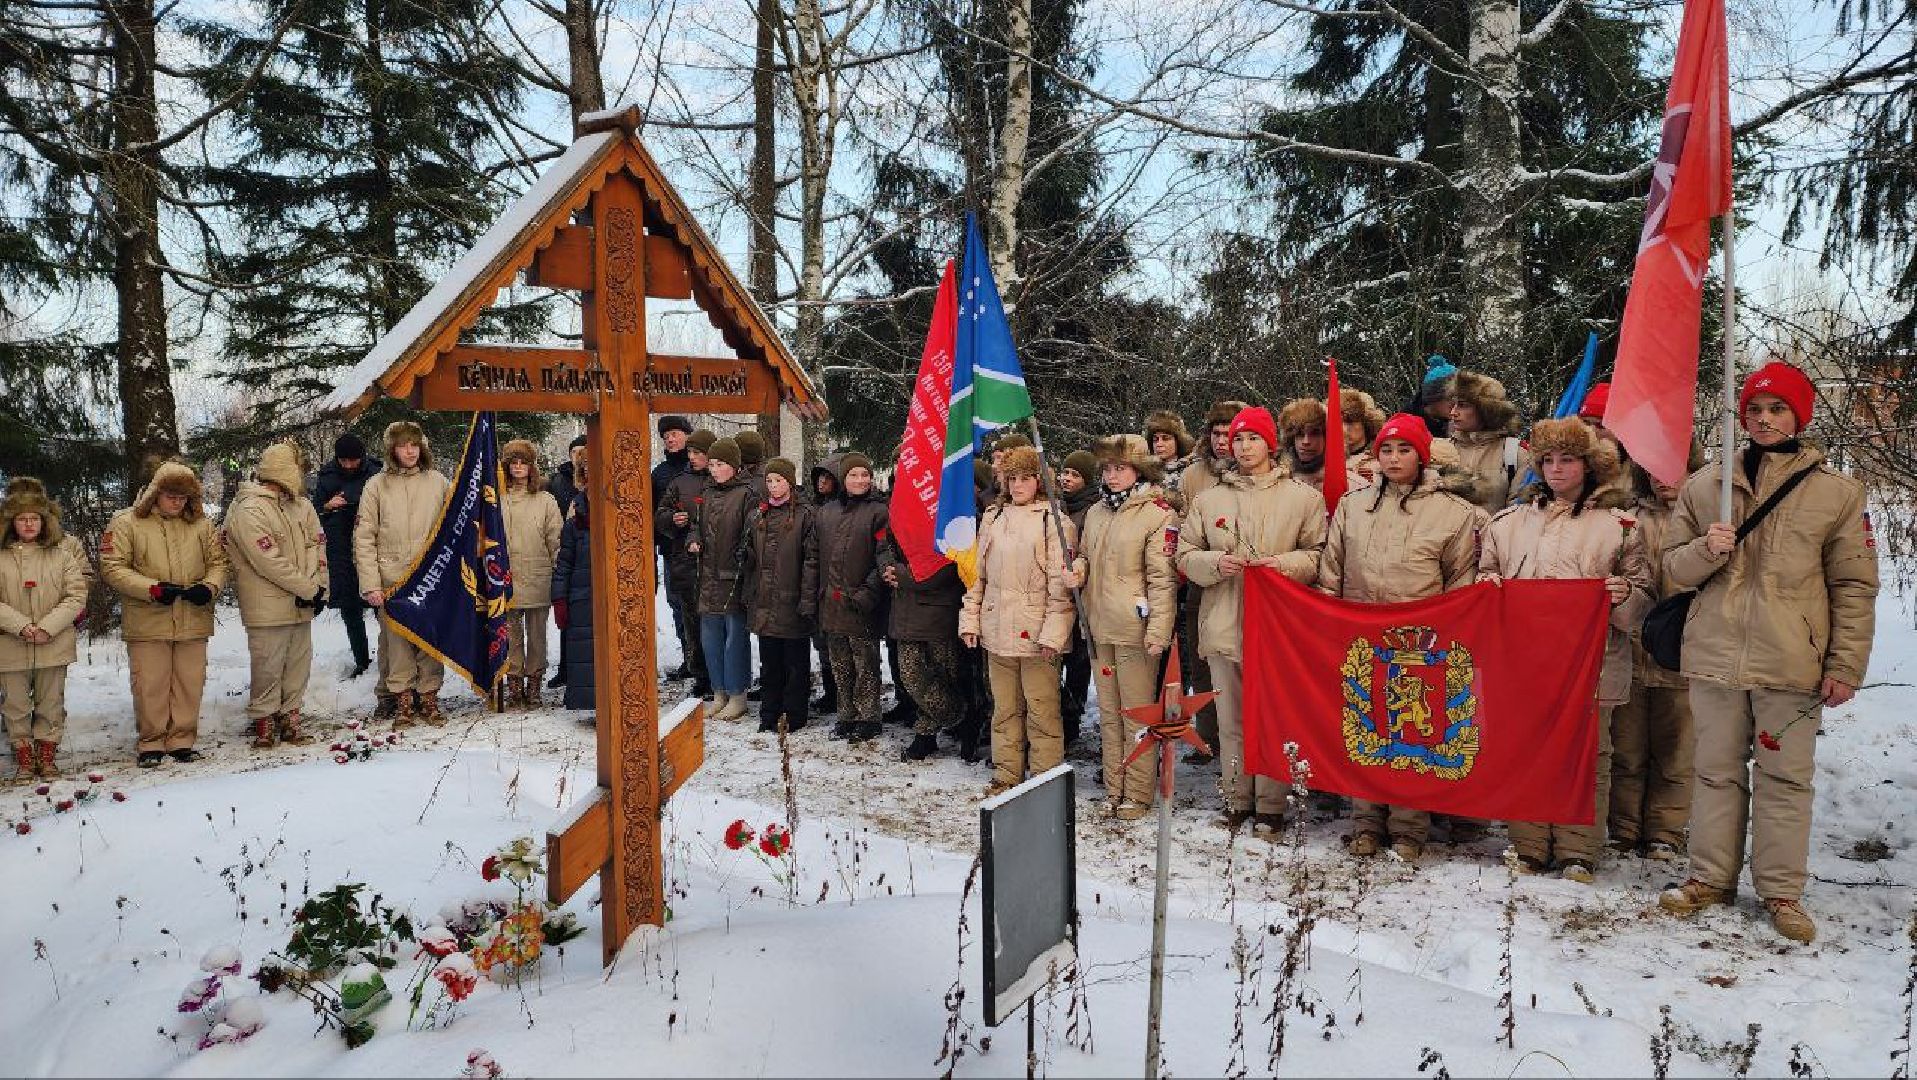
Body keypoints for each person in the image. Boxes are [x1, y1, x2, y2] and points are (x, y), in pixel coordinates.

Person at [1657, 361, 1878, 945]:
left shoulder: (1836, 494)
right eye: (1754, 409)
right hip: (1715, 654)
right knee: (1715, 774)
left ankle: (1782, 890)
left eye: (1777, 409)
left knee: (1785, 779)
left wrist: (1845, 664)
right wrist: (1706, 551)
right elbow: (1670, 572)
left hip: (1790, 660)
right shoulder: (1706, 487)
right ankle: (1709, 877)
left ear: (1798, 415)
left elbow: (1854, 586)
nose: (1763, 419)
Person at [1479, 419, 1651, 882]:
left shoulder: (1619, 527)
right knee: (1527, 750)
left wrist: (1622, 598)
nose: (1556, 469)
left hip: (1590, 665)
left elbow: (1641, 606)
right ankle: (1530, 843)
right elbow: (1485, 573)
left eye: (1567, 459)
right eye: (1548, 460)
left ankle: (1579, 848)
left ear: (1589, 465)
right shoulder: (1508, 522)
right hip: (1525, 664)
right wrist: (1487, 586)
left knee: (1588, 755)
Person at [1319, 414, 1484, 860]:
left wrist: (1445, 634)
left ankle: (1409, 827)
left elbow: (1461, 581)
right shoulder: (1353, 506)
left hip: (1419, 646)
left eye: (1404, 450)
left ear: (1422, 455)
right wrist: (1330, 619)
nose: (1393, 459)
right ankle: (1366, 822)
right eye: (1386, 450)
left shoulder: (1452, 512)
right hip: (1361, 637)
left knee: (1412, 733)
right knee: (1366, 727)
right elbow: (1332, 567)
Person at [1178, 408, 1327, 833]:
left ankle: (1271, 805)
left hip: (1280, 629)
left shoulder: (1303, 498)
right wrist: (1214, 562)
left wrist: (1280, 564)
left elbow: (1319, 556)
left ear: (1271, 445)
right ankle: (1237, 798)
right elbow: (1184, 554)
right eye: (1238, 440)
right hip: (1225, 622)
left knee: (1274, 717)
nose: (1244, 447)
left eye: (1253, 439)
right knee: (1231, 719)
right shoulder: (1209, 500)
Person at [960, 446, 1080, 796]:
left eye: (1025, 478)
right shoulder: (993, 517)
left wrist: (1054, 634)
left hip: (1037, 633)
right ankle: (1006, 773)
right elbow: (976, 577)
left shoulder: (1054, 519)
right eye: (1011, 478)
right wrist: (970, 620)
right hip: (997, 628)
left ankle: (1045, 779)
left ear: (1040, 480)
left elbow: (1062, 587)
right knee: (1004, 709)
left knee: (1042, 710)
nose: (1018, 485)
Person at [1610, 446, 1705, 862]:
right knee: (1627, 749)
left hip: (1686, 651)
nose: (1665, 479)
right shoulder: (1628, 519)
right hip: (1632, 649)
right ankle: (1625, 826)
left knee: (1676, 751)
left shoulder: (1707, 519)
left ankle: (1666, 829)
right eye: (1655, 471)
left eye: (1675, 469)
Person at [102, 461, 230, 767]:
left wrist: (209, 587)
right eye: (171, 494)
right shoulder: (126, 522)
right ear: (155, 492)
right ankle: (151, 742)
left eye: (183, 496)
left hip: (192, 617)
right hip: (148, 619)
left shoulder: (202, 525)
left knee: (190, 681)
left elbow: (219, 562)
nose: (176, 501)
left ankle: (182, 740)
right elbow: (112, 566)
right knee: (150, 683)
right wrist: (152, 588)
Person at [1080, 435, 1181, 820]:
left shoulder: (1157, 514)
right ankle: (1114, 785)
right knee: (1108, 712)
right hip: (1100, 627)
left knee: (1135, 713)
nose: (1113, 475)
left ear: (1139, 470)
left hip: (1135, 630)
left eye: (1120, 468)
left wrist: (1158, 630)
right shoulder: (1095, 513)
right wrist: (1079, 570)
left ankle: (1138, 793)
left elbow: (1162, 580)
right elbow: (1088, 559)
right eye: (1107, 468)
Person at [225, 442, 327, 750]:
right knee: (268, 665)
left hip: (302, 601)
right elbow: (268, 560)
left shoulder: (302, 506)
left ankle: (290, 716)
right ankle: (265, 720)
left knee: (299, 662)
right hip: (267, 605)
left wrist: (319, 586)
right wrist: (307, 588)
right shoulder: (249, 509)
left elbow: (315, 544)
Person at [353, 421, 451, 726]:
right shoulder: (376, 485)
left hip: (431, 577)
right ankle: (403, 700)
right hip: (391, 579)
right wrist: (370, 584)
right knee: (396, 645)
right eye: (402, 445)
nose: (409, 451)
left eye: (414, 444)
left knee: (429, 642)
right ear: (392, 449)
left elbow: (456, 527)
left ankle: (429, 698)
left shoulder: (437, 482)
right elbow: (364, 536)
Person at [1, 479, 90, 779]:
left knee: (50, 702)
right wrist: (22, 626)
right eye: (22, 519)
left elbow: (76, 594)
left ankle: (47, 755)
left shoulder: (61, 554)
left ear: (44, 521)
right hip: (10, 643)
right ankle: (24, 757)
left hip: (54, 642)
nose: (28, 524)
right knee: (15, 704)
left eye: (34, 518)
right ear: (12, 522)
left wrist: (48, 627)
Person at [878, 466, 967, 761]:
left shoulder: (949, 510)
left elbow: (947, 563)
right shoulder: (900, 510)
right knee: (912, 675)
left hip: (938, 609)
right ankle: (958, 717)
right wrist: (889, 570)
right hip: (905, 608)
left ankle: (929, 731)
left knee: (942, 675)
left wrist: (902, 575)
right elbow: (884, 546)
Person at [1175, 400, 1246, 759]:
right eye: (1216, 433)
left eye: (1228, 433)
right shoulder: (1193, 475)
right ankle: (1207, 737)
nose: (1223, 440)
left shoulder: (1258, 469)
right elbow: (1187, 525)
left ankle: (1244, 742)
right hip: (1203, 580)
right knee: (1202, 659)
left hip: (1246, 582)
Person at [816, 452, 889, 741]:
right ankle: (845, 714)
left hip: (861, 603)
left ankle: (869, 716)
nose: (860, 480)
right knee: (840, 663)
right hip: (831, 602)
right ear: (843, 480)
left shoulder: (879, 512)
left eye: (865, 475)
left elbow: (883, 555)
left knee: (865, 663)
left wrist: (868, 592)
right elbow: (815, 555)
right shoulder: (827, 512)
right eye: (853, 475)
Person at [744, 457, 818, 733]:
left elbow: (811, 560)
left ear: (789, 481)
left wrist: (806, 598)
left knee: (795, 664)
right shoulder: (758, 514)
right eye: (770, 481)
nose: (774, 486)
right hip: (765, 601)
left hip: (793, 600)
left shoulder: (805, 515)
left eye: (779, 480)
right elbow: (753, 556)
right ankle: (769, 712)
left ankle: (795, 714)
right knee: (769, 663)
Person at [691, 438, 756, 722]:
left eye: (720, 465)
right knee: (710, 638)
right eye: (713, 465)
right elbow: (697, 525)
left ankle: (737, 693)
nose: (714, 470)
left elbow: (753, 533)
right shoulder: (706, 493)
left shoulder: (746, 494)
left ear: (734, 466)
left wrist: (743, 559)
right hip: (707, 576)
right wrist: (693, 540)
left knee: (734, 639)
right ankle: (718, 692)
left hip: (734, 577)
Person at [312, 434, 382, 678]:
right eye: (345, 461)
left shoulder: (376, 472)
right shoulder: (327, 475)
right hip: (340, 548)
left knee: (382, 609)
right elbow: (313, 512)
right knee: (350, 610)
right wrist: (327, 506)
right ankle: (362, 661)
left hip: (372, 548)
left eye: (354, 461)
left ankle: (388, 660)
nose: (350, 465)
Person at [500, 439, 563, 708]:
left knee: (537, 636)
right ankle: (514, 684)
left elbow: (556, 539)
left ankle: (534, 683)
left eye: (522, 462)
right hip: (505, 577)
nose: (517, 468)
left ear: (531, 467)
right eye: (513, 462)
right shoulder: (496, 499)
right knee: (511, 635)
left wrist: (559, 570)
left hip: (538, 576)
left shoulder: (545, 500)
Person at [657, 429, 716, 696]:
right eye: (690, 452)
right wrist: (672, 519)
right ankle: (700, 675)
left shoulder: (721, 479)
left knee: (717, 623)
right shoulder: (680, 482)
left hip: (716, 562)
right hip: (686, 560)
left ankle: (721, 677)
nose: (692, 457)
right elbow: (661, 514)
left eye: (698, 453)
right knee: (692, 622)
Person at [1056, 449, 1101, 740]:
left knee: (1078, 664)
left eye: (1075, 475)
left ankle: (1072, 716)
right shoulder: (1055, 505)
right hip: (1058, 595)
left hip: (1081, 596)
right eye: (1065, 473)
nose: (1067, 479)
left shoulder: (1092, 510)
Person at [550, 450, 597, 715]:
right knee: (583, 652)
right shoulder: (574, 522)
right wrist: (559, 598)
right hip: (581, 596)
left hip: (613, 596)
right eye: (587, 475)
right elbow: (564, 563)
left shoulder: (621, 514)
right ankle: (587, 704)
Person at [1447, 370, 1532, 513]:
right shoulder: (1443, 450)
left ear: (1486, 409)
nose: (1453, 412)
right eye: (1453, 405)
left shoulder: (1514, 454)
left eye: (1462, 405)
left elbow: (1518, 514)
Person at [651, 416, 695, 679]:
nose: (670, 438)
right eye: (666, 435)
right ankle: (688, 657)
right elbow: (653, 512)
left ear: (687, 435)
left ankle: (700, 660)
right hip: (670, 550)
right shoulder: (659, 474)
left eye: (675, 433)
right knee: (677, 603)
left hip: (698, 549)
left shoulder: (699, 465)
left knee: (697, 606)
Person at [806, 454, 846, 715]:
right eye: (819, 477)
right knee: (822, 644)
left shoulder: (844, 508)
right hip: (817, 583)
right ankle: (831, 693)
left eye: (828, 478)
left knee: (842, 647)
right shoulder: (813, 508)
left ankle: (845, 696)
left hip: (840, 585)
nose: (822, 482)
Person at [1276, 397, 1367, 501]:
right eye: (1300, 434)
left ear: (1329, 438)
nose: (1306, 441)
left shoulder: (1355, 487)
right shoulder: (1280, 484)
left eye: (1314, 434)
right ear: (1291, 439)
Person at [1143, 410, 1196, 503]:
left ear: (1178, 441)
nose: (1159, 444)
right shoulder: (1145, 473)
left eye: (1165, 438)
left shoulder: (1191, 470)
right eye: (1155, 440)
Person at [1338, 387, 1388, 485]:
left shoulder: (1382, 459)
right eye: (1338, 422)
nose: (1343, 428)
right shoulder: (1324, 460)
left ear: (1367, 423)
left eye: (1350, 422)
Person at [1404, 354, 1458, 437]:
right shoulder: (1405, 425)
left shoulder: (1460, 423)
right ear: (1434, 398)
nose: (1456, 405)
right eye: (1451, 398)